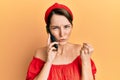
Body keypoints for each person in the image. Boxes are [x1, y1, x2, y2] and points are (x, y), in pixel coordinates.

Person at [26, 3, 96, 80]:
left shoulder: (81, 52)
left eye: (66, 27)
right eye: (55, 28)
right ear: (48, 29)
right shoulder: (40, 53)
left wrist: (85, 61)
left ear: (72, 26)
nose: (62, 34)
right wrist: (49, 61)